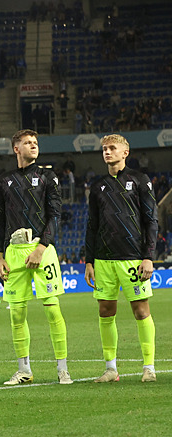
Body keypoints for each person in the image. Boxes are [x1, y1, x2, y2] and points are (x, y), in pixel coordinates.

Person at [0, 129, 72, 385]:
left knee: (52, 308)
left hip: (42, 249)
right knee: (16, 313)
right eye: (28, 143)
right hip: (13, 253)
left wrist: (42, 247)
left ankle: (62, 369)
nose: (33, 146)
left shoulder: (48, 176)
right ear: (16, 148)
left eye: (35, 142)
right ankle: (24, 369)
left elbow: (55, 215)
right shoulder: (3, 181)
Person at [84, 134, 158, 383]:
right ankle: (111, 369)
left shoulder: (140, 180)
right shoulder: (98, 186)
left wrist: (148, 257)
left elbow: (151, 221)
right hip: (104, 260)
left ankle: (148, 367)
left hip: (132, 258)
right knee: (106, 311)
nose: (107, 152)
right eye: (104, 148)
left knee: (140, 311)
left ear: (125, 152)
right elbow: (92, 225)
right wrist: (89, 261)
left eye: (112, 148)